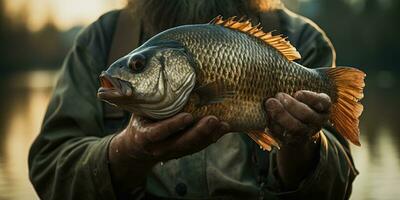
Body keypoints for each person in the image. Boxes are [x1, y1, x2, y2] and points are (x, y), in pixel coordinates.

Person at [28, 0, 358, 199]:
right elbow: (49, 171)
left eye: (139, 66)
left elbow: (337, 189)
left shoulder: (303, 39)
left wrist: (301, 146)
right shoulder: (101, 41)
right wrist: (126, 151)